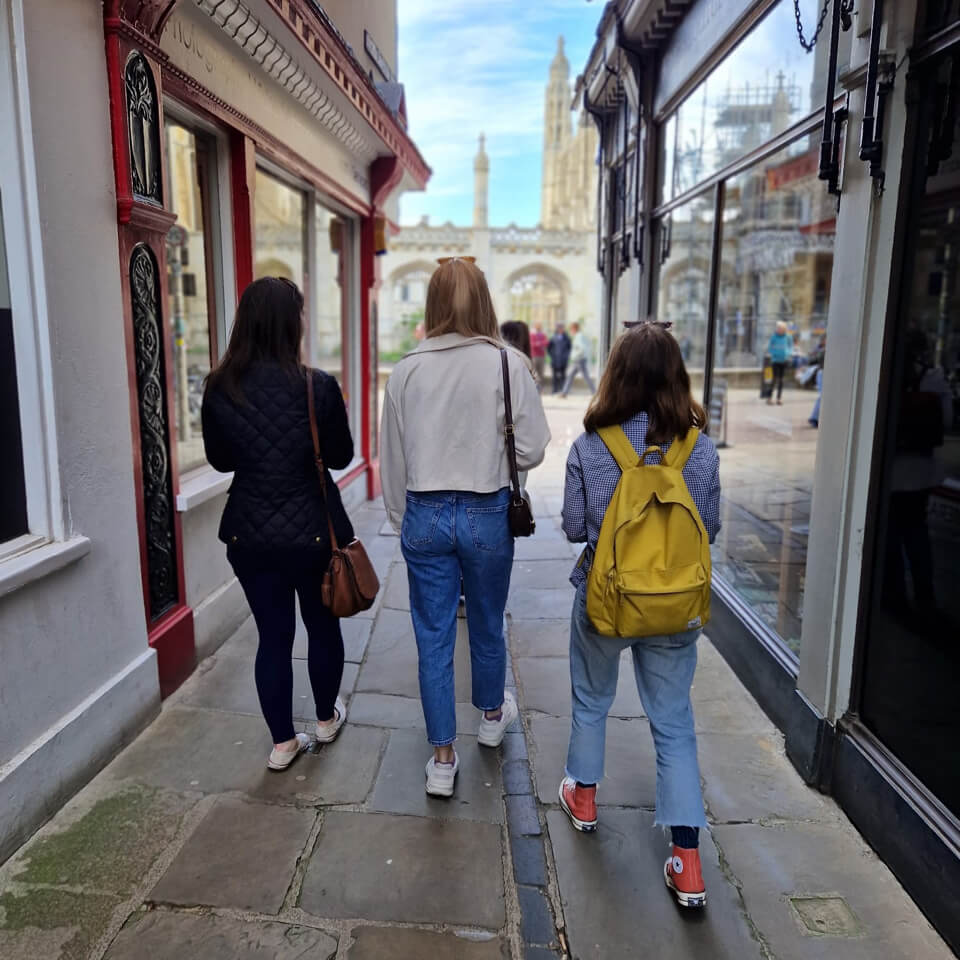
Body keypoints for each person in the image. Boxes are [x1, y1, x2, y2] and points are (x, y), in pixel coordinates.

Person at [558, 323, 721, 908]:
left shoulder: (591, 444)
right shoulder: (699, 447)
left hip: (605, 600)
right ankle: (689, 863)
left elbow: (576, 527)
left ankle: (583, 798)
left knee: (591, 699)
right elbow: (712, 527)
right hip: (676, 608)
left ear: (616, 375)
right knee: (674, 723)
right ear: (677, 376)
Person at [381, 258, 551, 798]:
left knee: (432, 632)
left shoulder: (406, 370)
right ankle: (492, 715)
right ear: (483, 301)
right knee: (485, 620)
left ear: (432, 303)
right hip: (486, 510)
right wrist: (501, 466)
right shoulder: (508, 362)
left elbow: (393, 460)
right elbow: (533, 447)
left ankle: (441, 758)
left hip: (425, 511)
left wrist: (400, 518)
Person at [202, 277, 354, 771]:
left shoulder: (219, 387)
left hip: (249, 534)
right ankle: (328, 718)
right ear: (293, 323)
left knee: (273, 637)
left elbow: (221, 461)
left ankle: (283, 742)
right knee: (322, 624)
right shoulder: (318, 385)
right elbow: (341, 455)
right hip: (313, 531)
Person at [561, 321, 596, 396]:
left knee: (586, 377)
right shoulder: (578, 336)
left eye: (571, 329)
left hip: (579, 360)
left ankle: (595, 392)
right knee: (570, 376)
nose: (571, 331)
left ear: (574, 328)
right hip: (578, 360)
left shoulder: (579, 336)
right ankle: (564, 392)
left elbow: (582, 348)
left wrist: (575, 355)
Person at [766, 320, 792, 405]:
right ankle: (769, 397)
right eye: (778, 328)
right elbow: (770, 347)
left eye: (781, 328)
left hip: (784, 360)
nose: (779, 329)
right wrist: (774, 353)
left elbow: (790, 347)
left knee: (781, 380)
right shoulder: (774, 336)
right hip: (775, 360)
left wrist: (787, 353)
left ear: (784, 329)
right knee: (773, 379)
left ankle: (779, 398)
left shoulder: (788, 337)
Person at [547, 323, 571, 395]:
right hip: (555, 360)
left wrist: (566, 356)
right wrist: (552, 355)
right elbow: (549, 348)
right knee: (554, 376)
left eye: (562, 328)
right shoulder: (553, 337)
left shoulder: (567, 338)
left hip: (563, 360)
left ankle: (563, 390)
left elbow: (569, 348)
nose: (560, 330)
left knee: (563, 375)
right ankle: (555, 389)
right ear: (557, 329)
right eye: (559, 328)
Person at [530, 321, 549, 389]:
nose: (539, 327)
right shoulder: (532, 334)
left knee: (541, 373)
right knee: (534, 372)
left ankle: (541, 387)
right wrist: (540, 344)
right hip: (534, 355)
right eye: (537, 326)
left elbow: (546, 342)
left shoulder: (543, 334)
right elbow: (532, 344)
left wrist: (538, 343)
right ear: (535, 326)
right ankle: (534, 387)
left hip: (542, 356)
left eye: (540, 326)